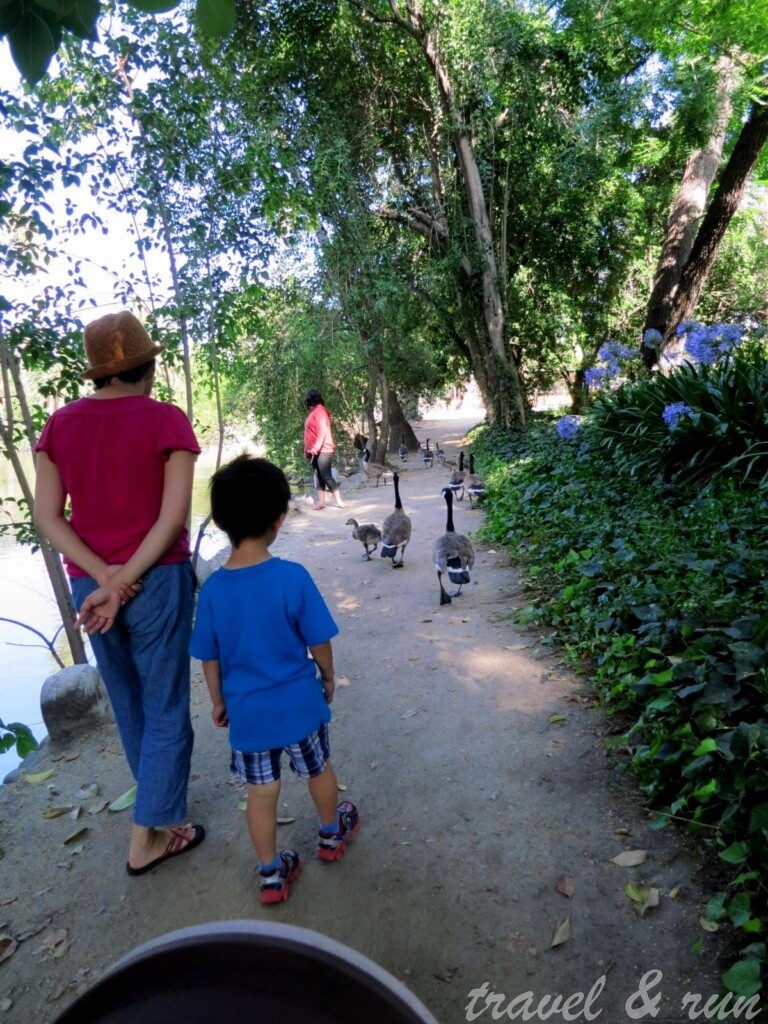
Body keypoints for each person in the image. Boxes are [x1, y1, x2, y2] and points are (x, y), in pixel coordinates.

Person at [33, 311, 205, 876]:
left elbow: (48, 518)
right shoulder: (167, 421)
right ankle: (146, 841)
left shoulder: (59, 426)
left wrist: (105, 576)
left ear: (97, 374)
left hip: (91, 585)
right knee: (165, 703)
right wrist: (128, 575)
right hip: (155, 577)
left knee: (129, 700)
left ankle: (159, 816)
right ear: (148, 366)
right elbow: (172, 515)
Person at [189, 455, 359, 905]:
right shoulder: (292, 578)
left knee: (260, 794)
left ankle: (270, 875)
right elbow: (319, 640)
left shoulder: (213, 592)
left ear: (222, 521)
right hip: (300, 707)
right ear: (278, 520)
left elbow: (208, 657)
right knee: (318, 768)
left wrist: (218, 700)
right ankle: (329, 835)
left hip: (249, 715)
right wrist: (327, 677)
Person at [303, 388, 345, 510]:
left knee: (326, 475)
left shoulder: (320, 411)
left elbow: (322, 432)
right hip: (314, 450)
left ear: (311, 399)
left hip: (323, 449)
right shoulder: (314, 412)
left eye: (307, 399)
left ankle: (339, 501)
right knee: (319, 475)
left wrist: (315, 448)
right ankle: (322, 502)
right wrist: (306, 449)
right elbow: (308, 433)